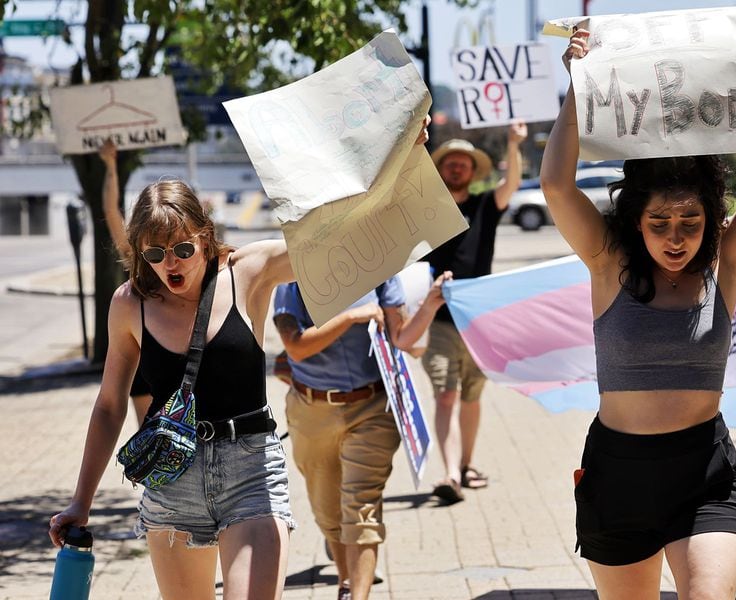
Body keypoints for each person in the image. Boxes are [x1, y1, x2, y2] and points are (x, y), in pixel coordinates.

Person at [48, 121, 431, 599]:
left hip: (250, 471)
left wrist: (400, 165)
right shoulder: (129, 303)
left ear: (205, 238)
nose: (172, 263)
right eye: (156, 253)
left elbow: (342, 239)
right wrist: (80, 504)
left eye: (184, 248)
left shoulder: (250, 270)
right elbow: (108, 406)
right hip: (173, 484)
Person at [540, 28, 736, 599]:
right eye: (659, 224)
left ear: (711, 222)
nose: (675, 238)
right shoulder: (608, 263)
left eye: (689, 223)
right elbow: (555, 184)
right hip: (617, 472)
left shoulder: (725, 263)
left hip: (703, 473)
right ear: (636, 221)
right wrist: (578, 88)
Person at [273, 270, 450, 600]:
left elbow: (400, 336)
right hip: (312, 410)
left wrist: (430, 305)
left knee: (362, 507)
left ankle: (357, 594)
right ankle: (345, 580)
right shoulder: (292, 277)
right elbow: (296, 348)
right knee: (328, 510)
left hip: (373, 408)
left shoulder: (381, 269)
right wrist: (350, 317)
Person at [422, 121, 527, 503]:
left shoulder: (485, 205)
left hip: (480, 324)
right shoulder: (427, 211)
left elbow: (511, 185)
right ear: (441, 169)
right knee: (445, 395)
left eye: (463, 163)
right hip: (438, 321)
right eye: (449, 162)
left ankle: (466, 465)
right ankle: (450, 474)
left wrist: (514, 144)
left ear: (472, 170)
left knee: (470, 397)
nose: (456, 167)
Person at [99, 141, 153, 425]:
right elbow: (110, 211)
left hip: (180, 357)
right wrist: (110, 166)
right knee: (150, 431)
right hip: (144, 357)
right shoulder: (135, 254)